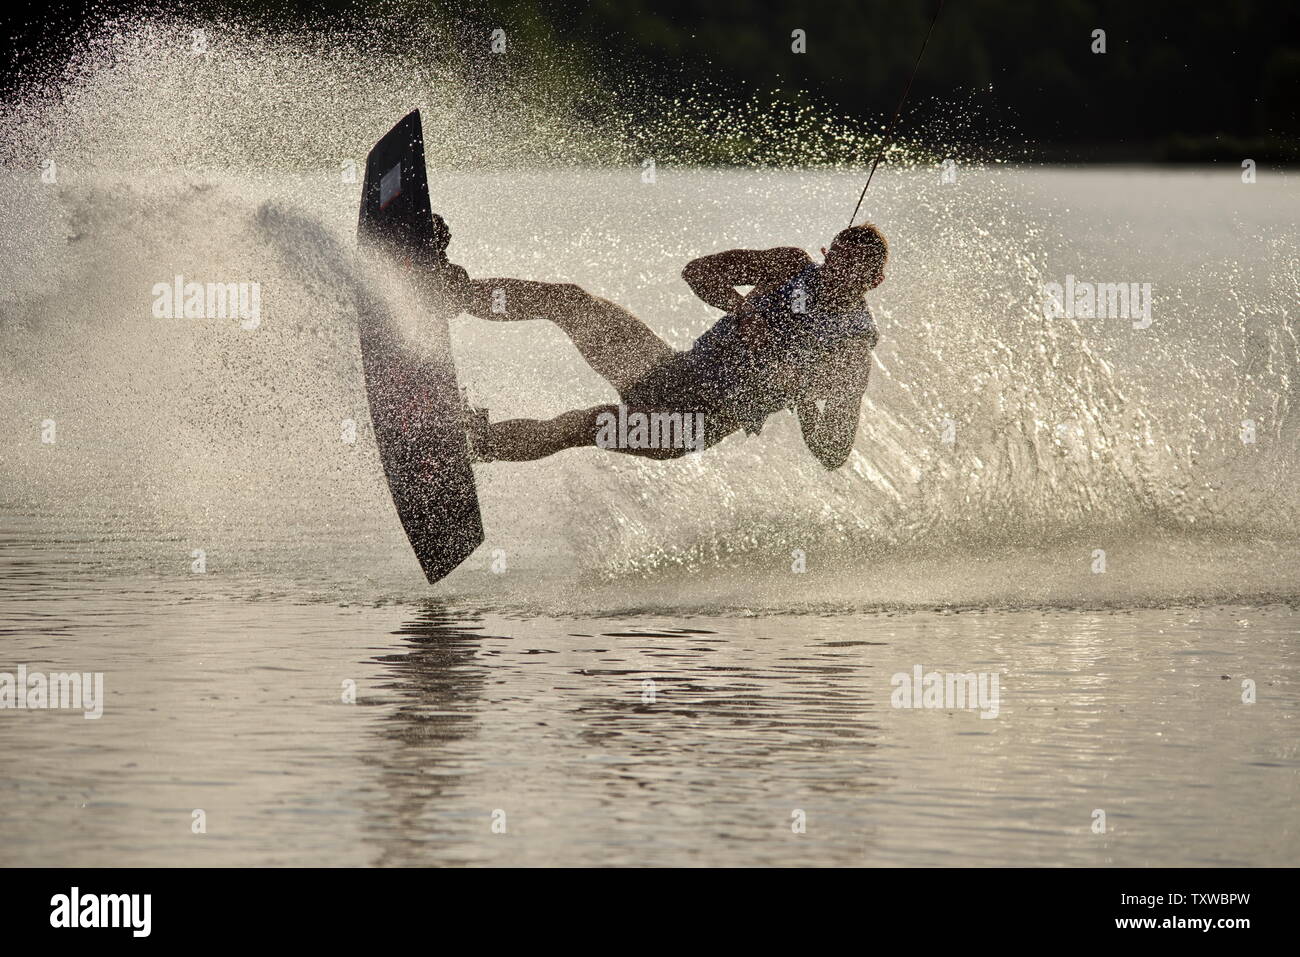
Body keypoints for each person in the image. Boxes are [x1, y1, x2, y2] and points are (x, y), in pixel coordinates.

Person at [445, 222, 887, 468]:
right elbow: (698, 272)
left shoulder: (850, 351)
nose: (838, 276)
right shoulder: (789, 267)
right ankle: (452, 293)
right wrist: (743, 310)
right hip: (668, 373)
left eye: (854, 271)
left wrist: (804, 398)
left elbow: (833, 453)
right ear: (828, 254)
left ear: (874, 281)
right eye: (837, 262)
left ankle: (472, 445)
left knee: (583, 424)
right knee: (572, 301)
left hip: (689, 425)